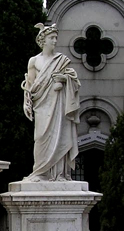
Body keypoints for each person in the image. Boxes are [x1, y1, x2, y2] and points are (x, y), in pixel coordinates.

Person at [22, 23, 81, 181]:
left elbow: (75, 82)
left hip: (59, 104)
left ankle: (59, 174)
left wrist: (65, 79)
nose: (55, 41)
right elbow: (30, 85)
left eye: (56, 38)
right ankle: (40, 172)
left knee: (59, 135)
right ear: (43, 40)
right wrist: (26, 103)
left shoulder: (62, 61)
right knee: (41, 137)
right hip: (41, 104)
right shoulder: (34, 61)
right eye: (52, 38)